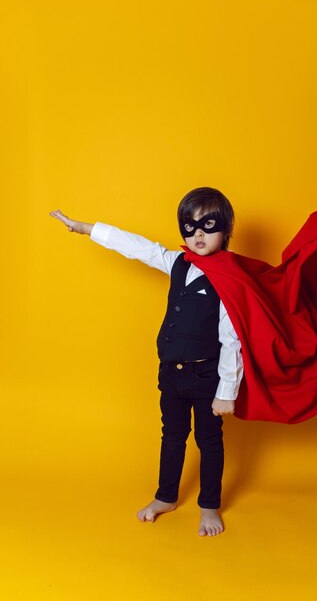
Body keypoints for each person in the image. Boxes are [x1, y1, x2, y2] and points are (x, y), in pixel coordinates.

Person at [49, 187, 244, 537]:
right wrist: (86, 228)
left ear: (225, 229)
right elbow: (138, 247)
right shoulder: (177, 263)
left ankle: (209, 505)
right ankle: (166, 497)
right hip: (171, 373)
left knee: (209, 441)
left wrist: (226, 390)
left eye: (208, 225)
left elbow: (233, 339)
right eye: (189, 226)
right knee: (172, 437)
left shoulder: (228, 278)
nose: (197, 234)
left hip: (206, 377)